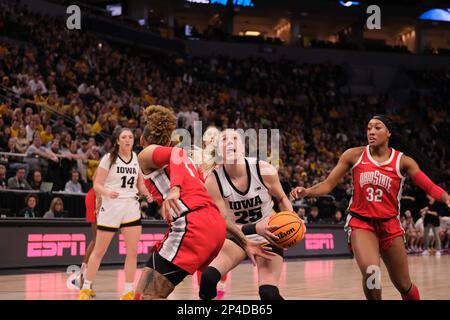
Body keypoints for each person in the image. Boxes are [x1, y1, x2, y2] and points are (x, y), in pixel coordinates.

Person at [291, 115, 450, 300]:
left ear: (388, 132)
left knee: (404, 285)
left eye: (377, 127)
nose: (371, 132)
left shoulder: (403, 161)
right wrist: (306, 192)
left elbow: (429, 186)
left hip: (390, 225)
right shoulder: (354, 155)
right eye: (368, 128)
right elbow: (328, 184)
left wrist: (446, 197)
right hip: (361, 224)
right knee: (371, 272)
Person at [134, 105, 270, 300]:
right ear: (168, 138)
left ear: (142, 140)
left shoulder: (147, 153)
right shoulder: (189, 164)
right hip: (214, 226)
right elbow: (211, 208)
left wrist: (175, 189)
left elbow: (176, 154)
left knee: (146, 296)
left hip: (192, 227)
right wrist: (244, 241)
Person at [200, 128, 294, 301]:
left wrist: (293, 219)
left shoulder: (263, 169)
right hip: (237, 235)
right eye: (224, 139)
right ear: (218, 151)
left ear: (243, 147)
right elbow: (224, 225)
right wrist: (254, 228)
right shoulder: (213, 181)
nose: (229, 142)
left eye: (234, 138)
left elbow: (281, 197)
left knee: (268, 294)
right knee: (207, 279)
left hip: (268, 235)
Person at [79, 127, 152, 300]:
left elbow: (140, 184)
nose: (128, 140)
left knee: (132, 252)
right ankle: (86, 288)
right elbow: (97, 184)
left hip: (131, 207)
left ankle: (128, 290)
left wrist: (147, 194)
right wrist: (106, 192)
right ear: (117, 141)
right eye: (124, 137)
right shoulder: (108, 159)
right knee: (99, 251)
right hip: (111, 207)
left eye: (130, 137)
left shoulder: (136, 158)